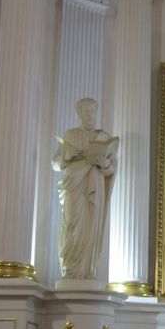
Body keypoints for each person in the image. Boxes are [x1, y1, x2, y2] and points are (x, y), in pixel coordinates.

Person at [52, 98, 119, 280]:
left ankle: (86, 270)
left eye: (92, 111)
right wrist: (66, 156)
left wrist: (104, 163)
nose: (90, 115)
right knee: (72, 223)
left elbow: (112, 168)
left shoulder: (103, 137)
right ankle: (70, 269)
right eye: (86, 111)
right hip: (74, 185)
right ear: (79, 113)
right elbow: (55, 164)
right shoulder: (71, 134)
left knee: (90, 227)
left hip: (94, 186)